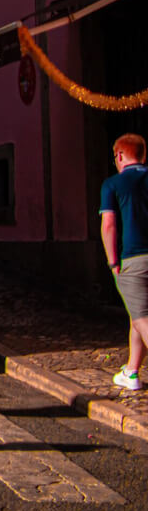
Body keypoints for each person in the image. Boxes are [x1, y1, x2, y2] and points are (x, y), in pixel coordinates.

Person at [101, 134, 148, 391]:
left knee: (142, 317)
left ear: (119, 156)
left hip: (133, 258)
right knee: (135, 314)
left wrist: (112, 262)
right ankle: (132, 371)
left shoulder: (113, 184)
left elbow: (108, 224)